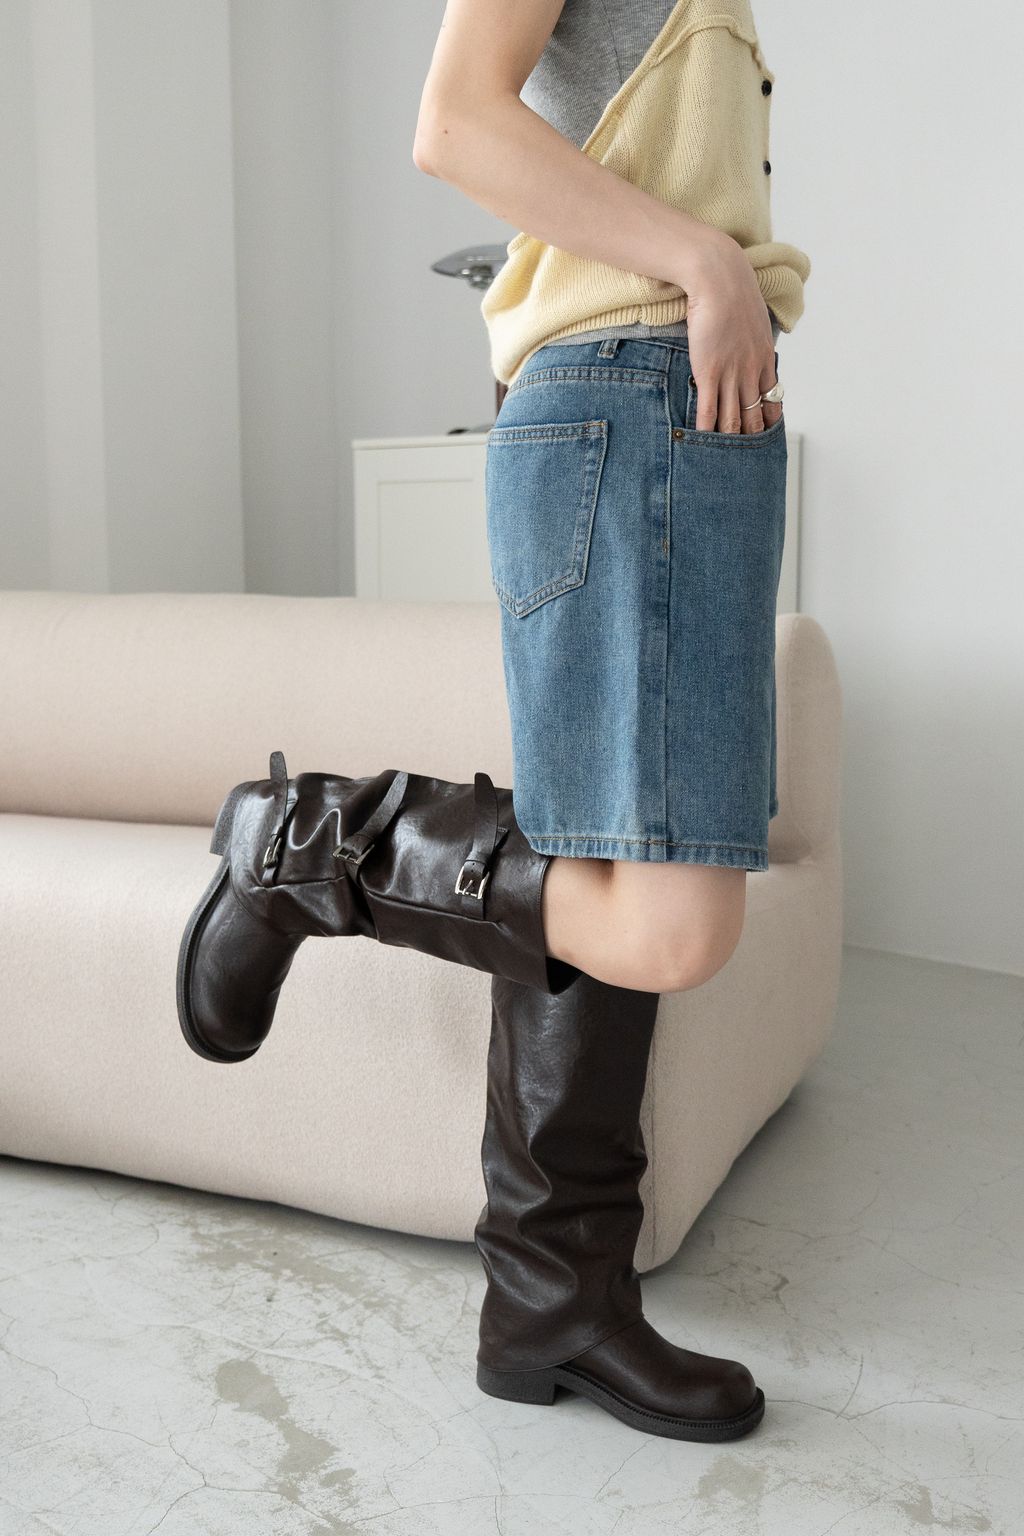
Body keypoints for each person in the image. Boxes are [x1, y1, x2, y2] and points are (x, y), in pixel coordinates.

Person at [176, 0, 809, 1444]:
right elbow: (457, 120)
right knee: (673, 925)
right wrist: (709, 262)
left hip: (677, 413)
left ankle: (554, 1302)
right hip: (631, 394)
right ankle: (309, 844)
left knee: (595, 872)